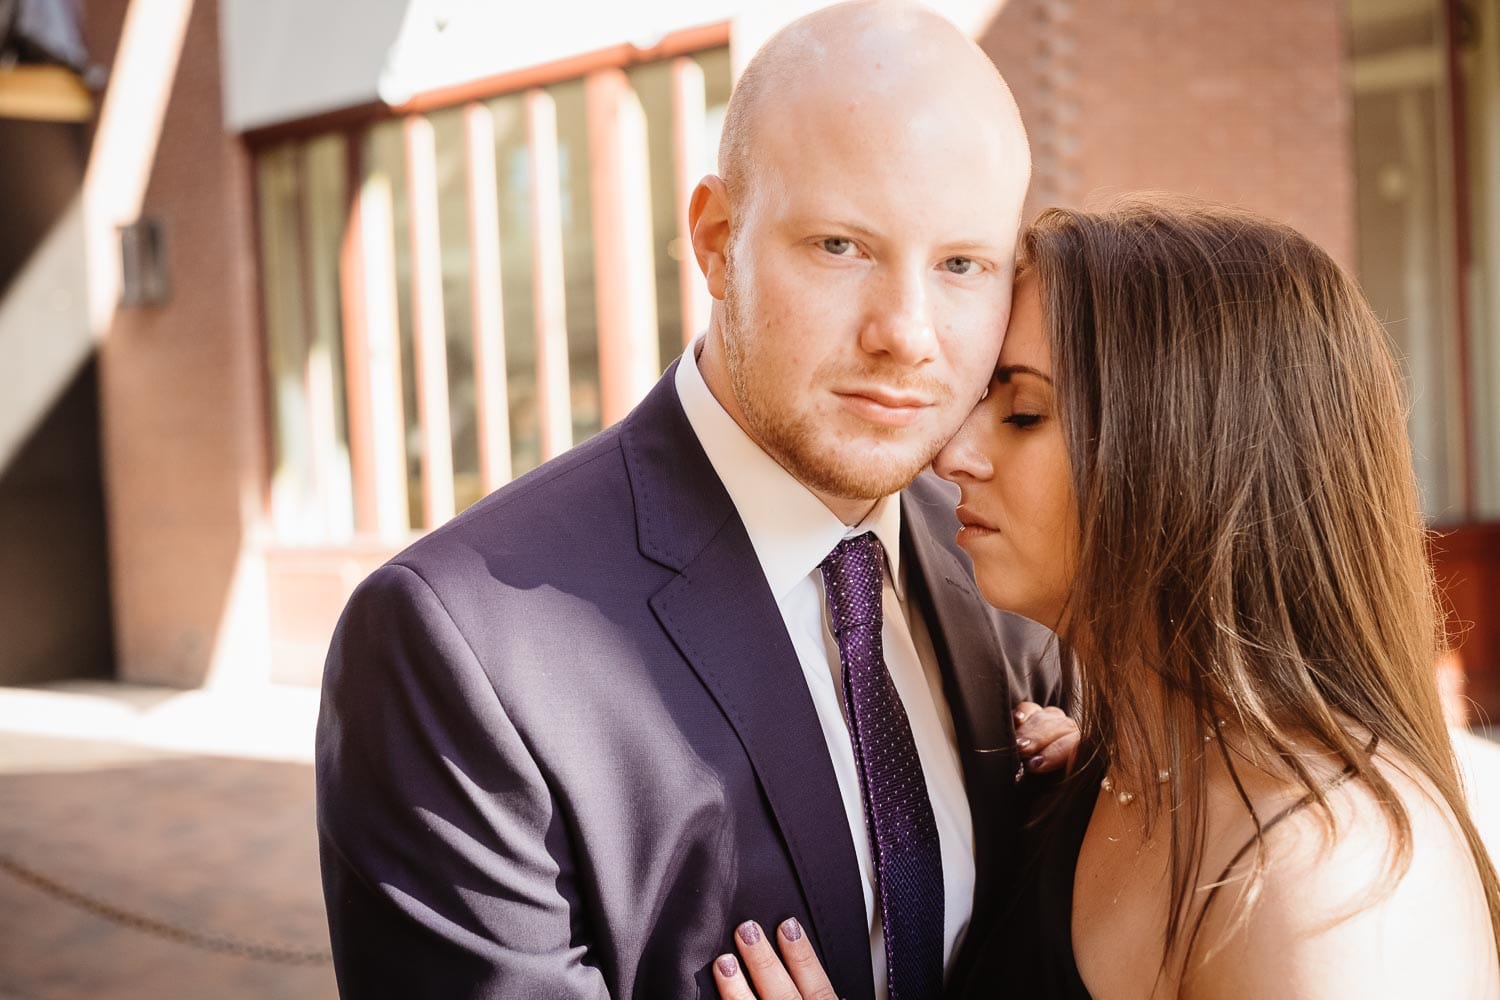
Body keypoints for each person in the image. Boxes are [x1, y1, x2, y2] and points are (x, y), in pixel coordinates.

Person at [315, 3, 1073, 998]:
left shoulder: (1015, 567)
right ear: (717, 241)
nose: (907, 333)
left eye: (963, 265)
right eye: (843, 246)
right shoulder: (459, 644)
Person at [708, 199, 1500, 1000]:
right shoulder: (1104, 770)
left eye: (1023, 413)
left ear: (1192, 457)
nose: (951, 454)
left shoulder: (1331, 879)